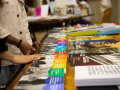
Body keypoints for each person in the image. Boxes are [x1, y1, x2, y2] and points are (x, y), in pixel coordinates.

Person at [0, 0, 42, 82]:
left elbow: (24, 26)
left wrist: (29, 45)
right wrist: (18, 43)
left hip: (21, 56)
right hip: (5, 58)